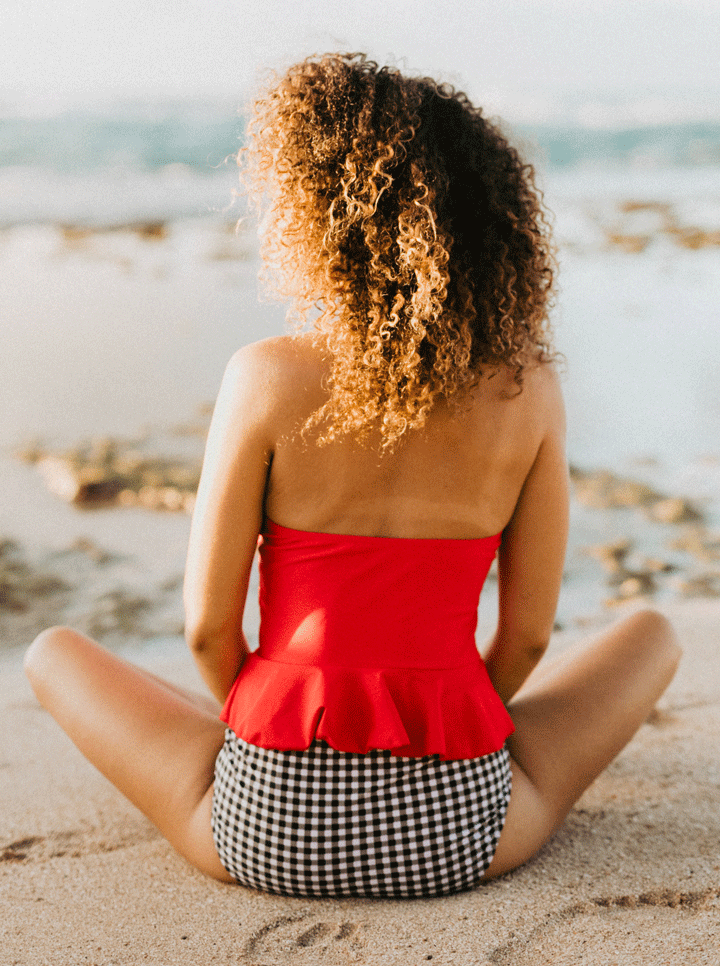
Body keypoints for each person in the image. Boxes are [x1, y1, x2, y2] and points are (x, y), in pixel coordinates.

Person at [24, 54, 681, 897]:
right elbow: (524, 640)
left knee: (54, 653)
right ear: (487, 221)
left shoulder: (263, 377)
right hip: (461, 834)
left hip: (266, 826)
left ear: (312, 214)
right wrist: (441, 716)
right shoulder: (530, 390)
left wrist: (276, 730)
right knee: (654, 636)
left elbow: (205, 631)